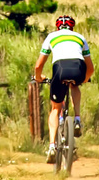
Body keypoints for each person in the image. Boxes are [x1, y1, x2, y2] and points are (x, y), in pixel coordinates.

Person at [34, 15, 94, 163]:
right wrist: (84, 79)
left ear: (57, 27)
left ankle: (52, 146)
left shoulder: (52, 37)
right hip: (78, 68)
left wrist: (38, 77)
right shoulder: (80, 37)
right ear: (72, 27)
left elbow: (38, 66)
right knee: (75, 84)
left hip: (59, 69)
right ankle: (78, 119)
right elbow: (91, 68)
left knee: (55, 109)